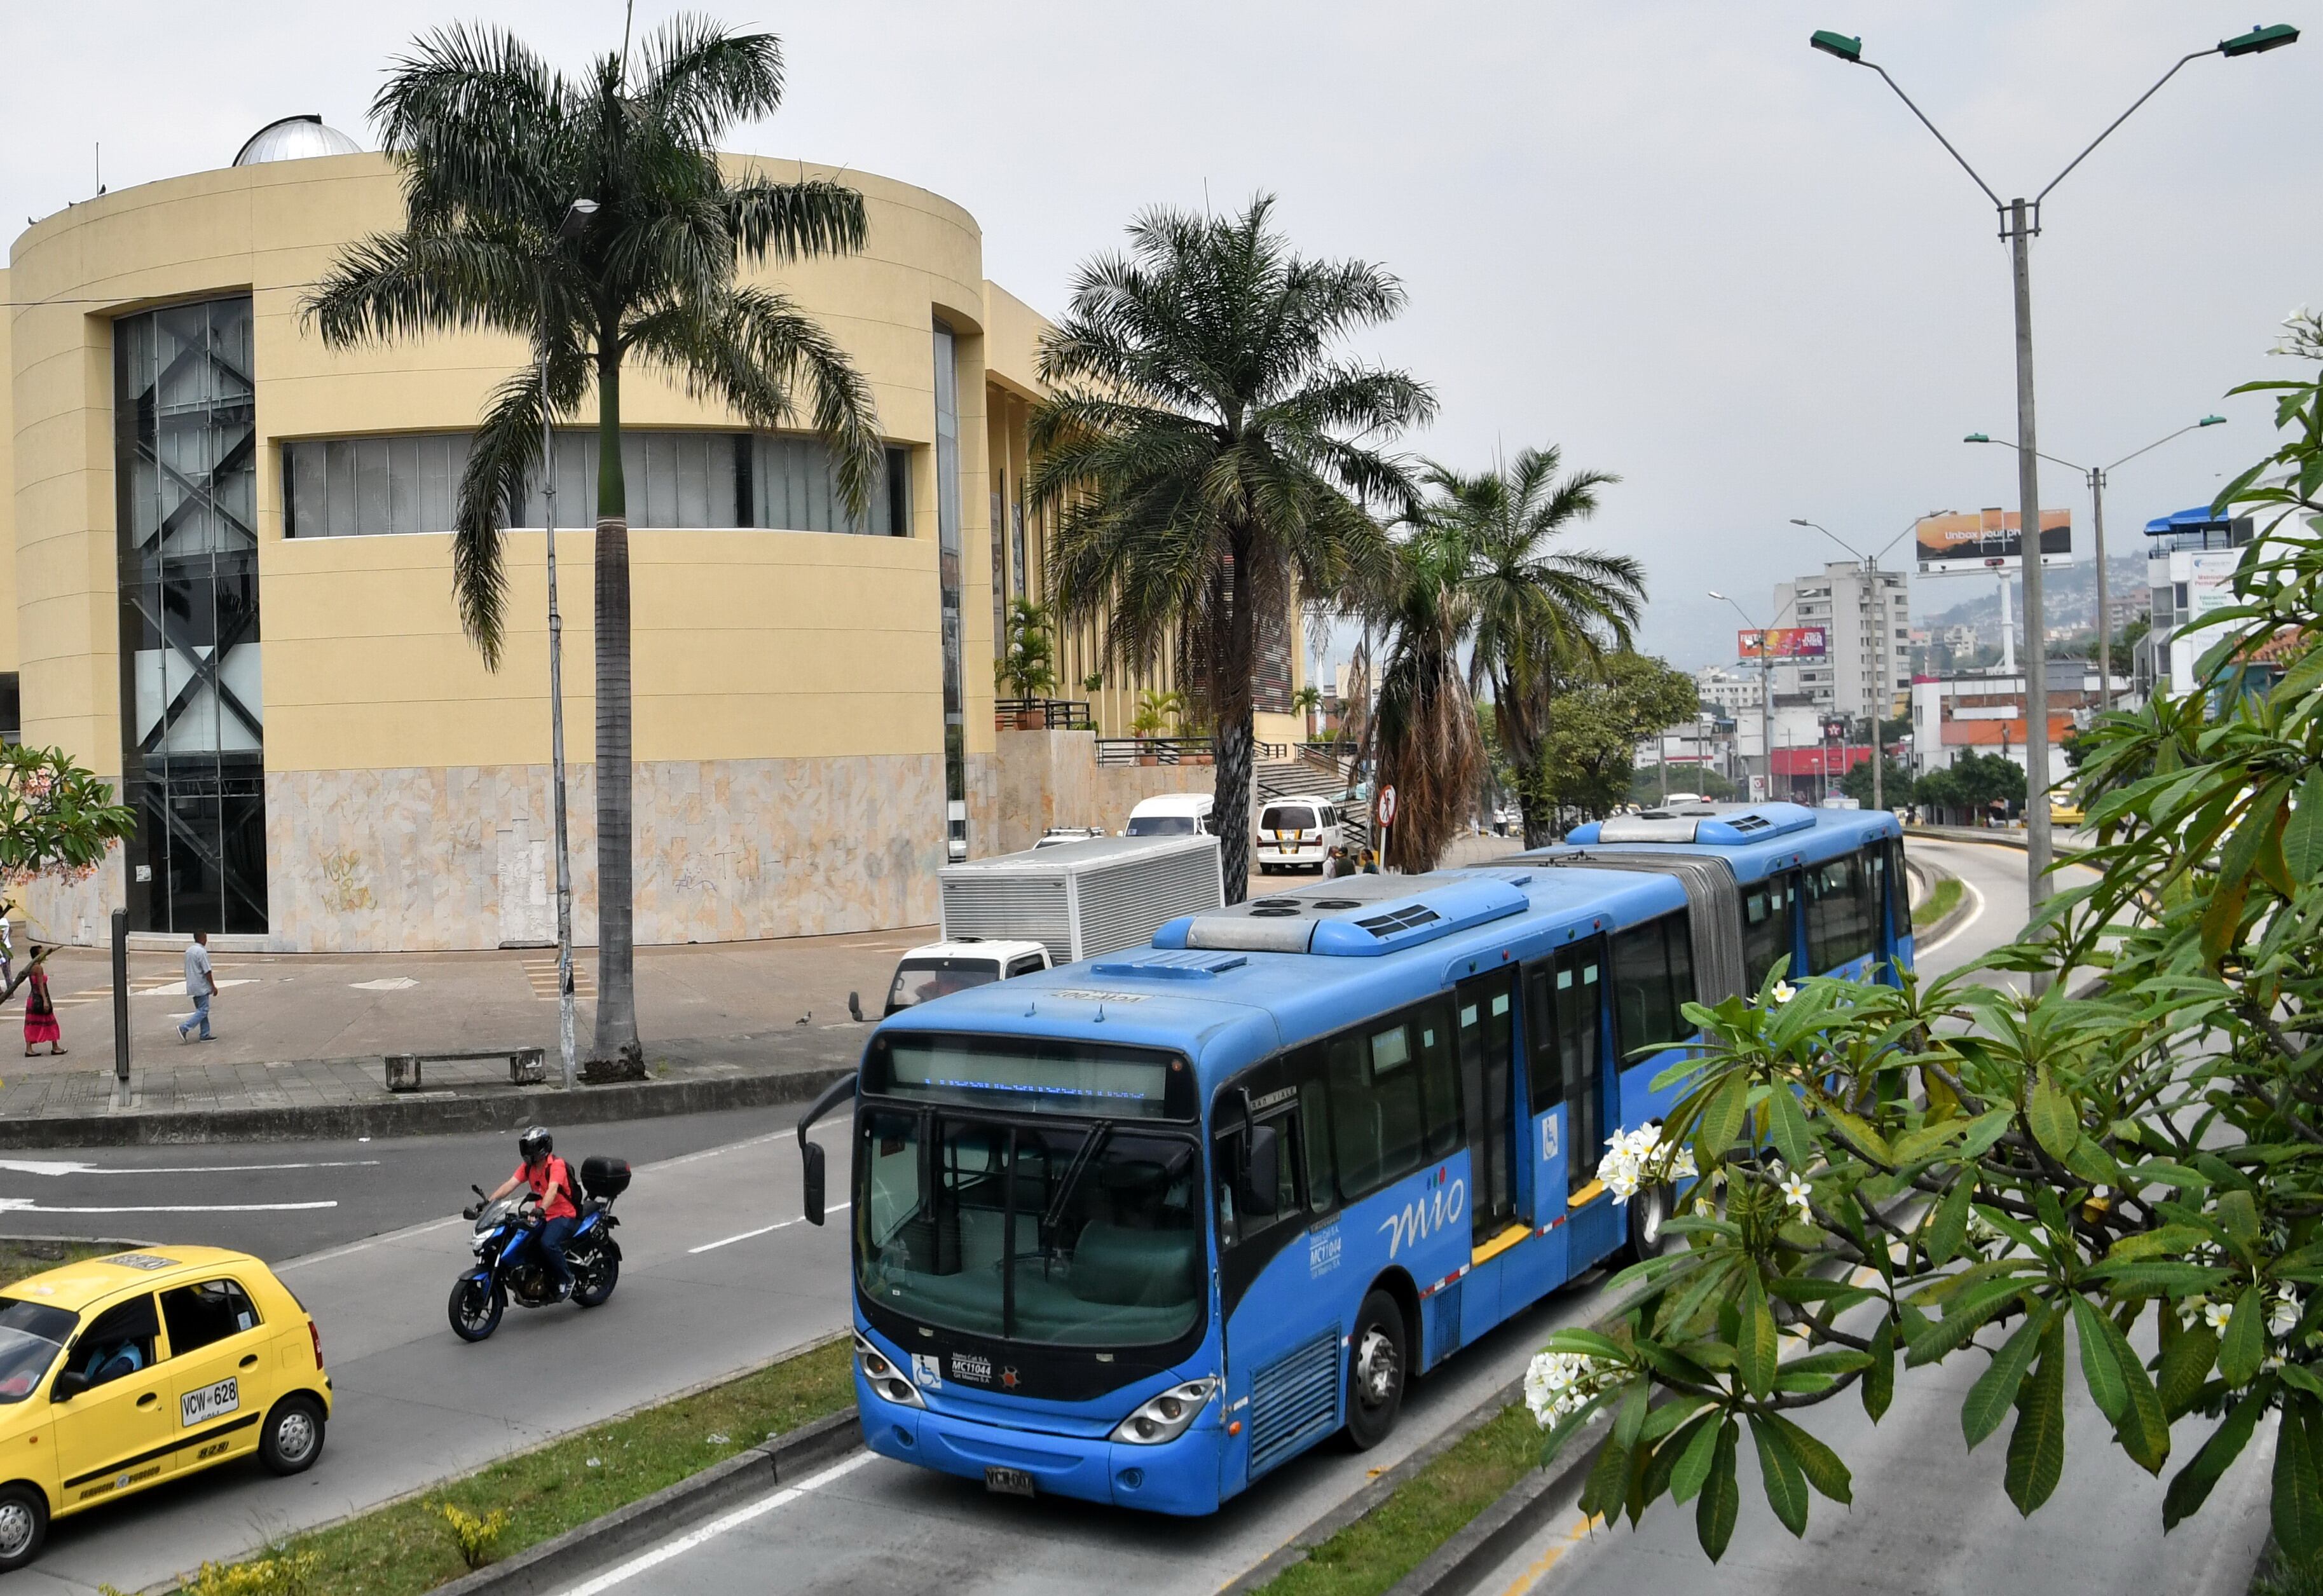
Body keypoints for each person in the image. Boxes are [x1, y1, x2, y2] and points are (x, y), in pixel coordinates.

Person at [486, 1126, 579, 1300]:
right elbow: (510, 1185)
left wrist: (541, 1209)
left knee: (548, 1243)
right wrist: (488, 1203)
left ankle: (567, 1279)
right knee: (521, 1237)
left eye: (531, 1148)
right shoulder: (529, 1168)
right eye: (526, 1148)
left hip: (563, 1215)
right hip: (542, 1215)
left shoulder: (556, 1165)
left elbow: (552, 1190)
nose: (528, 1152)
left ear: (542, 1148)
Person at [21, 950, 60, 1057]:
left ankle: (29, 1048)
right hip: (39, 999)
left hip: (32, 999)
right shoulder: (38, 968)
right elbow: (41, 985)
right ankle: (55, 1047)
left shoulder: (31, 966)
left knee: (31, 1024)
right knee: (51, 1022)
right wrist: (45, 1000)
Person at [179, 931, 216, 1042]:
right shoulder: (201, 952)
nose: (206, 940)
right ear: (202, 938)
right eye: (206, 937)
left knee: (201, 1010)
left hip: (192, 984)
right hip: (201, 985)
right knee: (204, 1010)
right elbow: (207, 971)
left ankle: (205, 1034)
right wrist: (213, 986)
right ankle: (184, 1027)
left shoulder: (189, 951)